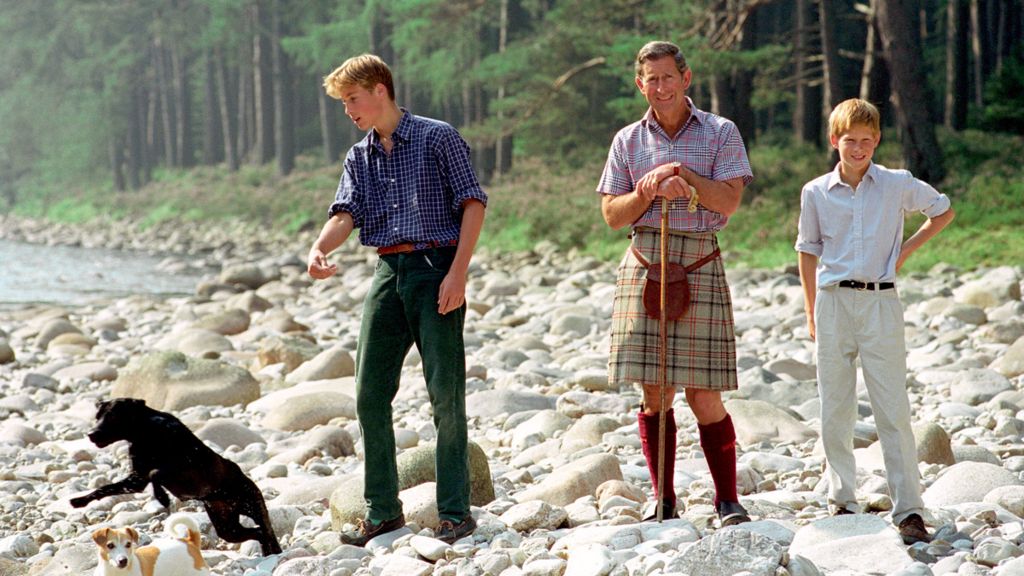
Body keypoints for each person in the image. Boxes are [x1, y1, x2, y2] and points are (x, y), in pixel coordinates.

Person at [307, 54, 487, 546]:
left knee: (445, 396)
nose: (348, 110)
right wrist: (321, 246)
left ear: (379, 89)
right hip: (388, 271)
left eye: (352, 99)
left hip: (437, 269)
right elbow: (345, 213)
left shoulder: (437, 136)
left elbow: (474, 202)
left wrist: (458, 273)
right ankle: (383, 511)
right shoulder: (359, 155)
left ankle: (455, 512)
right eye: (344, 102)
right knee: (369, 394)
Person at [597, 41, 753, 526]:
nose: (660, 88)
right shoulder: (627, 140)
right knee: (655, 390)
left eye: (668, 78)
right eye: (651, 80)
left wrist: (681, 173)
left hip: (700, 259)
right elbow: (610, 214)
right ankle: (663, 500)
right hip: (645, 260)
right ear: (639, 84)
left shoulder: (721, 132)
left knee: (704, 392)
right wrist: (647, 189)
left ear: (686, 79)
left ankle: (727, 500)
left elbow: (728, 202)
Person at [795, 98, 954, 545]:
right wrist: (810, 309)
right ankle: (842, 500)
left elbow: (942, 210)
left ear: (878, 140)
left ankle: (909, 510)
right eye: (850, 141)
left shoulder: (897, 183)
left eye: (867, 140)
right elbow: (807, 249)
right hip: (832, 303)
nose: (859, 148)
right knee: (835, 406)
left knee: (892, 408)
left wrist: (903, 252)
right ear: (834, 141)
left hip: (881, 302)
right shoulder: (815, 192)